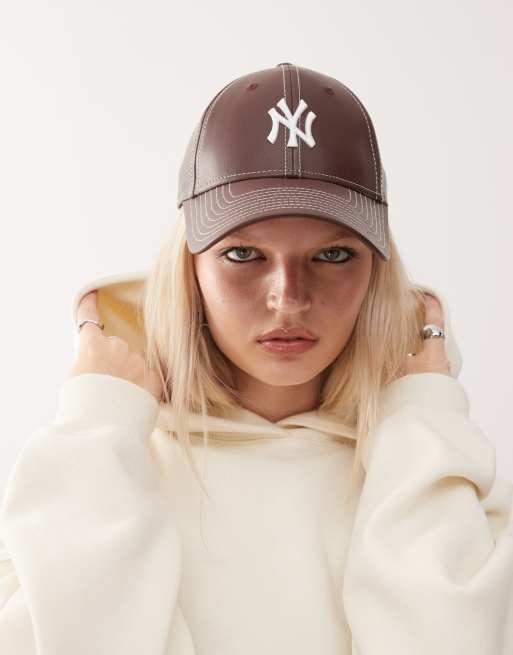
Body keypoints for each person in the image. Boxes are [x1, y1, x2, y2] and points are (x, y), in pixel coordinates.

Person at [0, 63, 512, 654]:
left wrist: (423, 421)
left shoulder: (429, 466)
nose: (288, 298)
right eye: (244, 254)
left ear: (377, 270)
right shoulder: (111, 463)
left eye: (334, 255)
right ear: (188, 266)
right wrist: (97, 428)